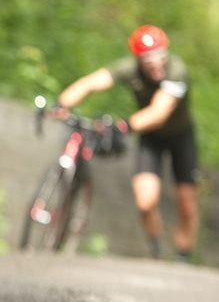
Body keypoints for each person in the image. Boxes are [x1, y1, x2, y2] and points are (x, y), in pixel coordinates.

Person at [51, 25, 199, 261]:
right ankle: (157, 251)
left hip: (180, 137)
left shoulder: (177, 70)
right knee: (145, 202)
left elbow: (159, 113)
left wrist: (124, 126)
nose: (156, 63)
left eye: (160, 56)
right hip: (150, 138)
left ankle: (183, 256)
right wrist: (62, 103)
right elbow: (91, 82)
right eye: (148, 59)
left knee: (186, 202)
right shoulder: (130, 68)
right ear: (139, 60)